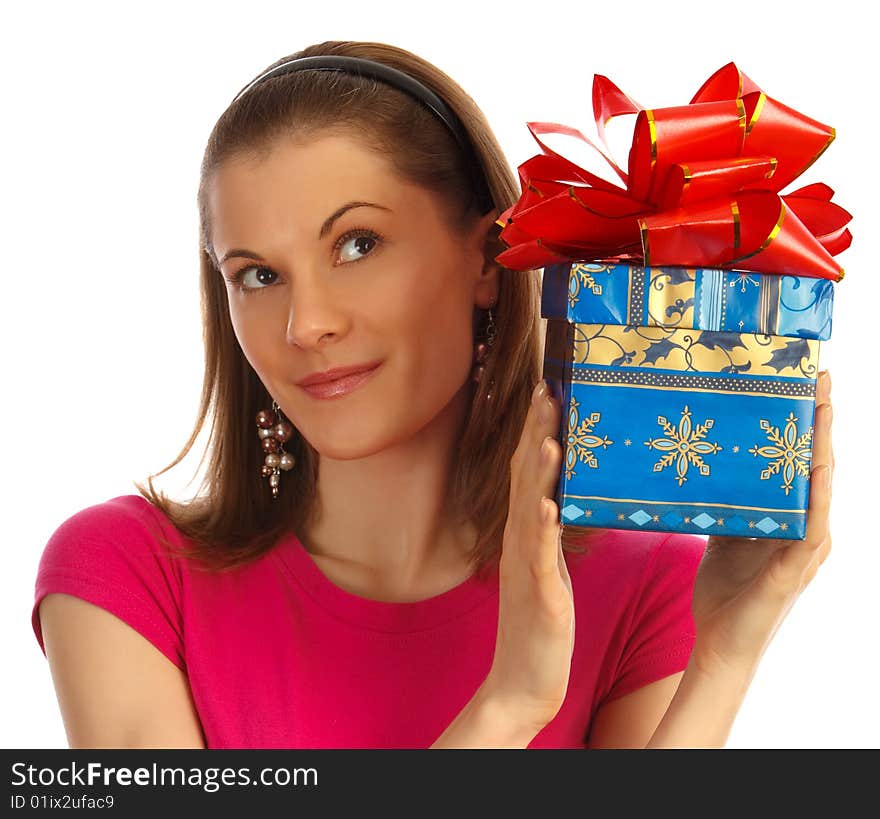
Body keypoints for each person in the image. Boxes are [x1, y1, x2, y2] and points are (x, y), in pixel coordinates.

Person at [30, 40, 834, 750]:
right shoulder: (126, 578)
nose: (305, 324)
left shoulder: (646, 585)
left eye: (357, 244)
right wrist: (507, 707)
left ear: (487, 258)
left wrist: (726, 653)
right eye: (259, 275)